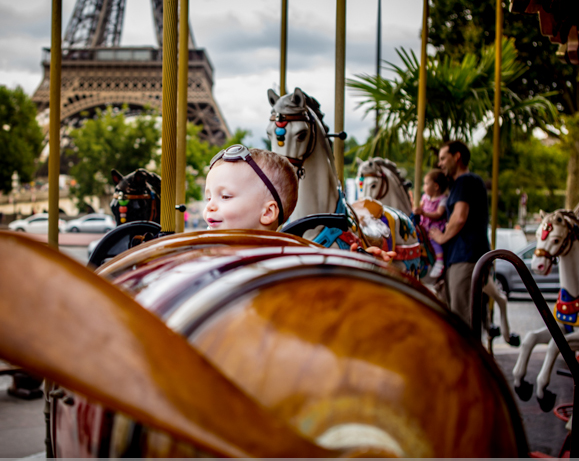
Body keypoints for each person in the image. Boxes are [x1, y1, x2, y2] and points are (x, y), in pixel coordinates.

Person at [205, 144, 394, 261]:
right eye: (209, 197)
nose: (210, 206)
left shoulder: (288, 263)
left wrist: (362, 266)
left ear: (268, 213)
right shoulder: (204, 253)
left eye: (225, 197)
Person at [428, 140, 490, 326]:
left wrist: (440, 237)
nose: (440, 164)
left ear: (457, 157)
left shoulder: (465, 181)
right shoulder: (460, 184)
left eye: (443, 158)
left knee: (462, 317)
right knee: (456, 314)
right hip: (459, 256)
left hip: (466, 256)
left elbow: (459, 217)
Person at [413, 168, 449, 279]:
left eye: (426, 183)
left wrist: (424, 213)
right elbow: (418, 207)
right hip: (424, 226)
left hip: (434, 227)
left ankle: (439, 261)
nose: (424, 186)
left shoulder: (442, 199)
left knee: (434, 241)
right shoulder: (425, 197)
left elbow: (439, 213)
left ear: (436, 186)